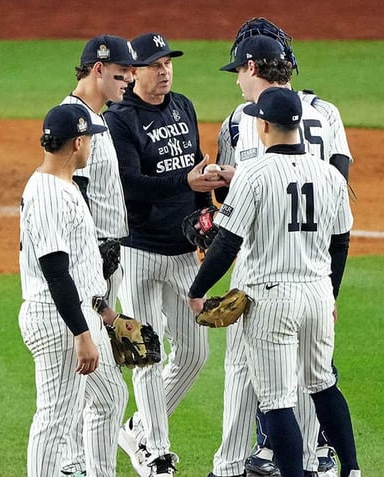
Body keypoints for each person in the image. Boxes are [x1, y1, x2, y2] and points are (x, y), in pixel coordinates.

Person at [189, 86, 362, 477]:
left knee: (278, 400)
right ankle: (351, 469)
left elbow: (227, 242)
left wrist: (198, 291)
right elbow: (341, 242)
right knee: (322, 383)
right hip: (317, 293)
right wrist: (330, 295)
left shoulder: (253, 175)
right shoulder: (331, 176)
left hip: (271, 299)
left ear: (263, 124)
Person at [103, 32, 227, 477]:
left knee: (195, 353)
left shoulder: (184, 106)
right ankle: (156, 453)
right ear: (133, 72)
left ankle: (136, 427)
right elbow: (131, 184)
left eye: (168, 62)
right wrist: (185, 185)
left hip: (180, 251)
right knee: (146, 352)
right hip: (138, 249)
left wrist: (204, 216)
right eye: (154, 64)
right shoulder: (119, 119)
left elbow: (192, 165)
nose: (164, 71)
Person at [18, 103, 129, 477]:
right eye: (90, 141)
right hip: (59, 319)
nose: (93, 148)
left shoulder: (63, 186)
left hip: (80, 312)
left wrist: (105, 314)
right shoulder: (48, 193)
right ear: (78, 142)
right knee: (56, 418)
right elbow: (56, 272)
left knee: (111, 397)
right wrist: (82, 334)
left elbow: (79, 269)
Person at [58, 34, 146, 477]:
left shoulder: (98, 118)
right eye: (120, 74)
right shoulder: (77, 121)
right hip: (88, 269)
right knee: (98, 389)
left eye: (131, 74)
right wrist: (94, 252)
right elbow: (75, 195)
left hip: (103, 267)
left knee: (91, 386)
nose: (129, 81)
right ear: (96, 69)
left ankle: (79, 467)